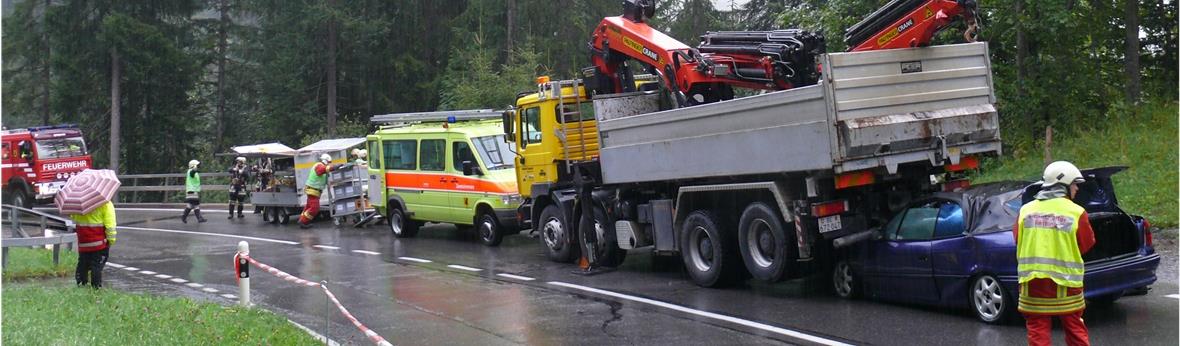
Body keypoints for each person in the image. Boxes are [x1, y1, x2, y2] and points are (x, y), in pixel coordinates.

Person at [1014, 161, 1096, 346]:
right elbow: (1086, 244)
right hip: (1066, 282)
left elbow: (1018, 240)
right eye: (1074, 184)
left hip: (1031, 282)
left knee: (1037, 329)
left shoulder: (1025, 211)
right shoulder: (1076, 212)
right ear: (1064, 184)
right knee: (1074, 327)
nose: (1076, 189)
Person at [71, 200, 117, 288]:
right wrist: (111, 240)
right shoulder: (106, 204)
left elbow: (74, 217)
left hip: (83, 242)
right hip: (99, 243)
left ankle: (81, 285)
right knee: (96, 266)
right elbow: (110, 226)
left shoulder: (79, 203)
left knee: (82, 264)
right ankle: (96, 289)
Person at [299, 153, 347, 228]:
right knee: (315, 208)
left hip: (314, 190)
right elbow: (323, 170)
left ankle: (302, 220)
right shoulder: (319, 166)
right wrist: (335, 166)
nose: (329, 164)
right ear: (325, 161)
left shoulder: (320, 166)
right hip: (313, 190)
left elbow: (323, 178)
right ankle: (303, 222)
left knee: (308, 206)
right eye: (329, 162)